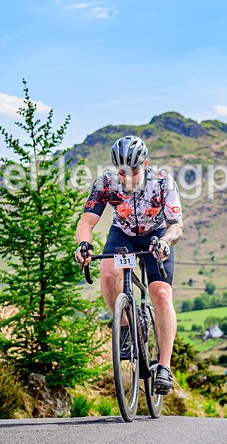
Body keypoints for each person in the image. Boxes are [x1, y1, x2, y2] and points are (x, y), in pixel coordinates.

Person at [75, 136, 183, 395]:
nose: (128, 177)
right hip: (122, 233)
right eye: (122, 171)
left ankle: (164, 366)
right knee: (108, 274)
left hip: (156, 234)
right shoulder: (106, 182)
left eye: (134, 171)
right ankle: (126, 326)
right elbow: (86, 222)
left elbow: (176, 225)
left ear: (144, 164)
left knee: (161, 293)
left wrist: (165, 242)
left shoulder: (162, 181)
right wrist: (83, 245)